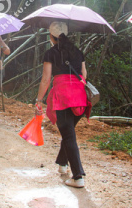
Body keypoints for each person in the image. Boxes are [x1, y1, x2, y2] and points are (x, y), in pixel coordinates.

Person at [34, 21, 90, 188]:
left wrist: (39, 100)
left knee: (68, 135)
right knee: (69, 132)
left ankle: (78, 176)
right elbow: (84, 75)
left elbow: (46, 79)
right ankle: (62, 163)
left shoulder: (51, 53)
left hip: (63, 97)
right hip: (80, 97)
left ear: (51, 36)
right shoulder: (78, 52)